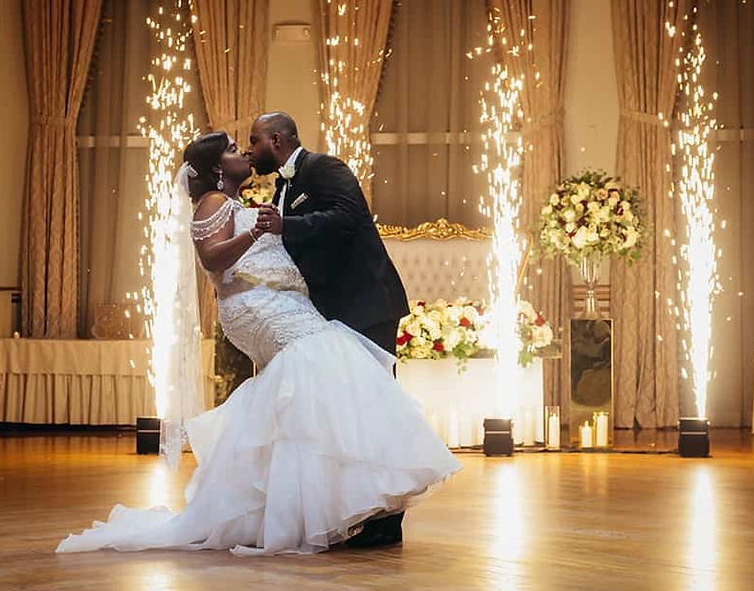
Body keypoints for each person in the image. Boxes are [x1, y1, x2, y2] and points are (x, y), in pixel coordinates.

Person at [55, 131, 459, 557]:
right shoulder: (213, 201)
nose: (242, 152)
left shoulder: (280, 187)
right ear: (216, 168)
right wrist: (256, 233)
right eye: (232, 149)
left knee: (307, 391)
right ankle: (332, 509)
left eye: (246, 142)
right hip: (259, 307)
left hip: (280, 303)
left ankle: (312, 510)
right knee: (330, 364)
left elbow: (331, 224)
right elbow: (211, 257)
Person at [248, 111, 411, 547]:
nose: (249, 150)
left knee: (375, 411)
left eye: (254, 141)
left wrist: (289, 225)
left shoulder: (325, 168)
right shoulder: (281, 187)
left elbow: (349, 216)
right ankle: (361, 510)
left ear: (277, 139)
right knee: (347, 414)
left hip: (366, 305)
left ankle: (388, 521)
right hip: (332, 313)